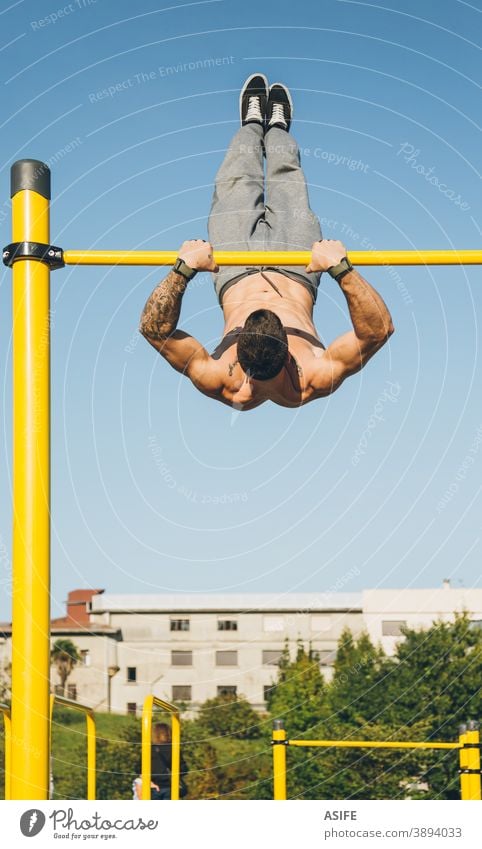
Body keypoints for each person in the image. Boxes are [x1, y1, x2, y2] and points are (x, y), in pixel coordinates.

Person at [139, 74, 394, 410]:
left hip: (234, 268)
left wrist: (183, 269)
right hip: (297, 268)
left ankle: (252, 123)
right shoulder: (312, 377)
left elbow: (154, 331)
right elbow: (378, 332)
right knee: (288, 178)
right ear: (289, 352)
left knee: (235, 181)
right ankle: (277, 128)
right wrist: (341, 269)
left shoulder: (220, 379)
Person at [149, 722, 188, 800]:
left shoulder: (150, 749)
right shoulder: (174, 749)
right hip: (171, 787)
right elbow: (183, 769)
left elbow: (138, 768)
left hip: (152, 786)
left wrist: (149, 782)